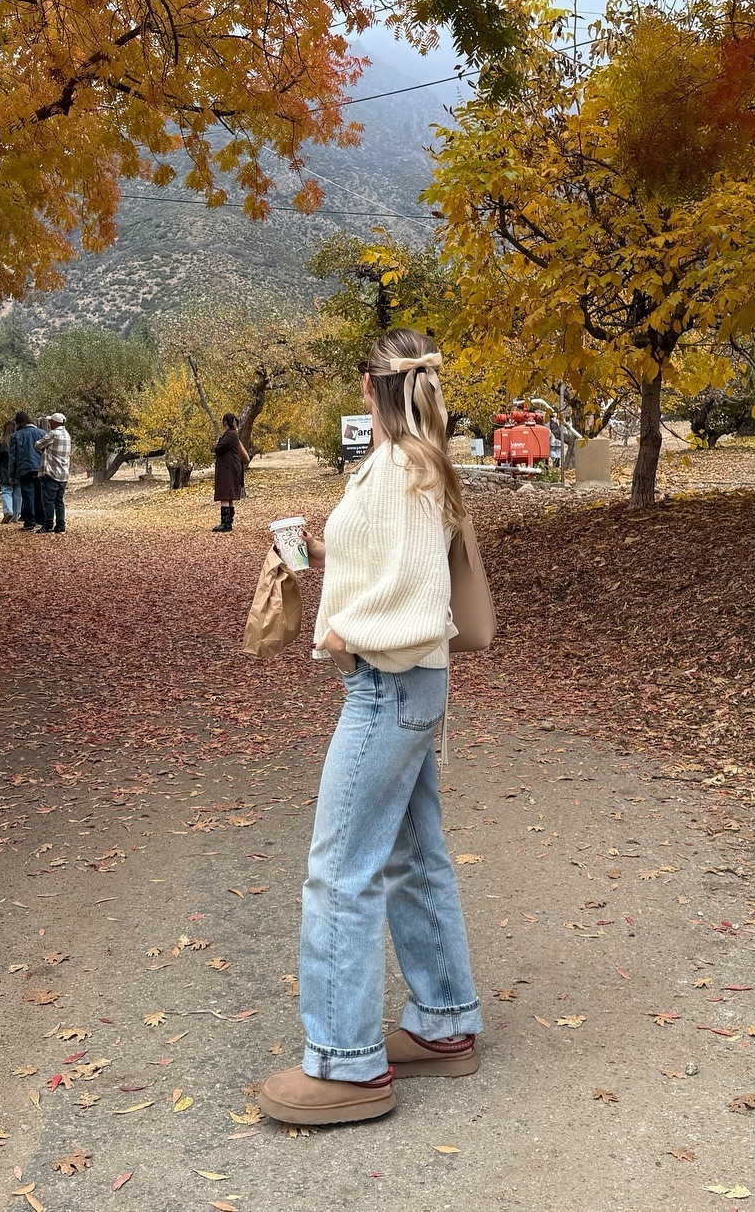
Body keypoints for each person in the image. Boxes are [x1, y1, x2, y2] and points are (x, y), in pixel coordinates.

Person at [256, 329, 482, 1128]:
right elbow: (406, 558)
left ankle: (347, 1067)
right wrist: (323, 551)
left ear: (367, 389)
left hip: (386, 689)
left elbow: (412, 596)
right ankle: (445, 1020)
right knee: (414, 856)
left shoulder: (395, 470)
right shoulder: (421, 463)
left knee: (340, 873)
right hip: (416, 689)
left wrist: (345, 633)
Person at [211, 413, 249, 532]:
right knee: (228, 495)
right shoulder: (232, 434)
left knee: (225, 494)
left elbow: (219, 448)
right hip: (229, 467)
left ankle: (225, 523)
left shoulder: (231, 434)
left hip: (228, 468)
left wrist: (214, 448)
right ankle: (228, 522)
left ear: (225, 422)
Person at [35, 412, 71, 534]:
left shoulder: (53, 434)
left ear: (55, 423)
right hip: (63, 473)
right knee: (59, 501)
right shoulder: (67, 434)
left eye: (50, 421)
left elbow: (38, 445)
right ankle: (60, 525)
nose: (49, 423)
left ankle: (48, 525)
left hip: (51, 473)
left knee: (48, 501)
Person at [8, 411, 43, 531]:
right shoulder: (41, 433)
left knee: (28, 495)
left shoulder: (16, 435)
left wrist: (11, 474)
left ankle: (29, 522)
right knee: (40, 494)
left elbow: (12, 456)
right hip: (40, 467)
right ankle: (41, 519)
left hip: (24, 468)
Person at [0, 419, 16, 522]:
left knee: (6, 491)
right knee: (17, 493)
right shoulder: (18, 440)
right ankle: (16, 514)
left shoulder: (1, 442)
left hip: (4, 470)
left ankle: (8, 511)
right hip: (17, 469)